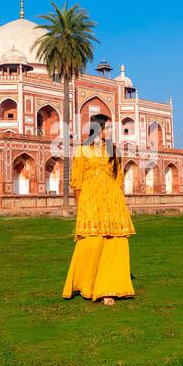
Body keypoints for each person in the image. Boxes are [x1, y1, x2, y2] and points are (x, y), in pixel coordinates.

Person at [62, 114, 136, 306]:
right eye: (108, 128)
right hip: (90, 201)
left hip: (113, 202)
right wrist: (80, 208)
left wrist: (120, 202)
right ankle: (85, 284)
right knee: (91, 244)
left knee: (116, 243)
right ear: (97, 127)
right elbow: (77, 182)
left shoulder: (113, 151)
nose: (111, 131)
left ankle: (108, 289)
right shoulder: (82, 151)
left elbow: (118, 178)